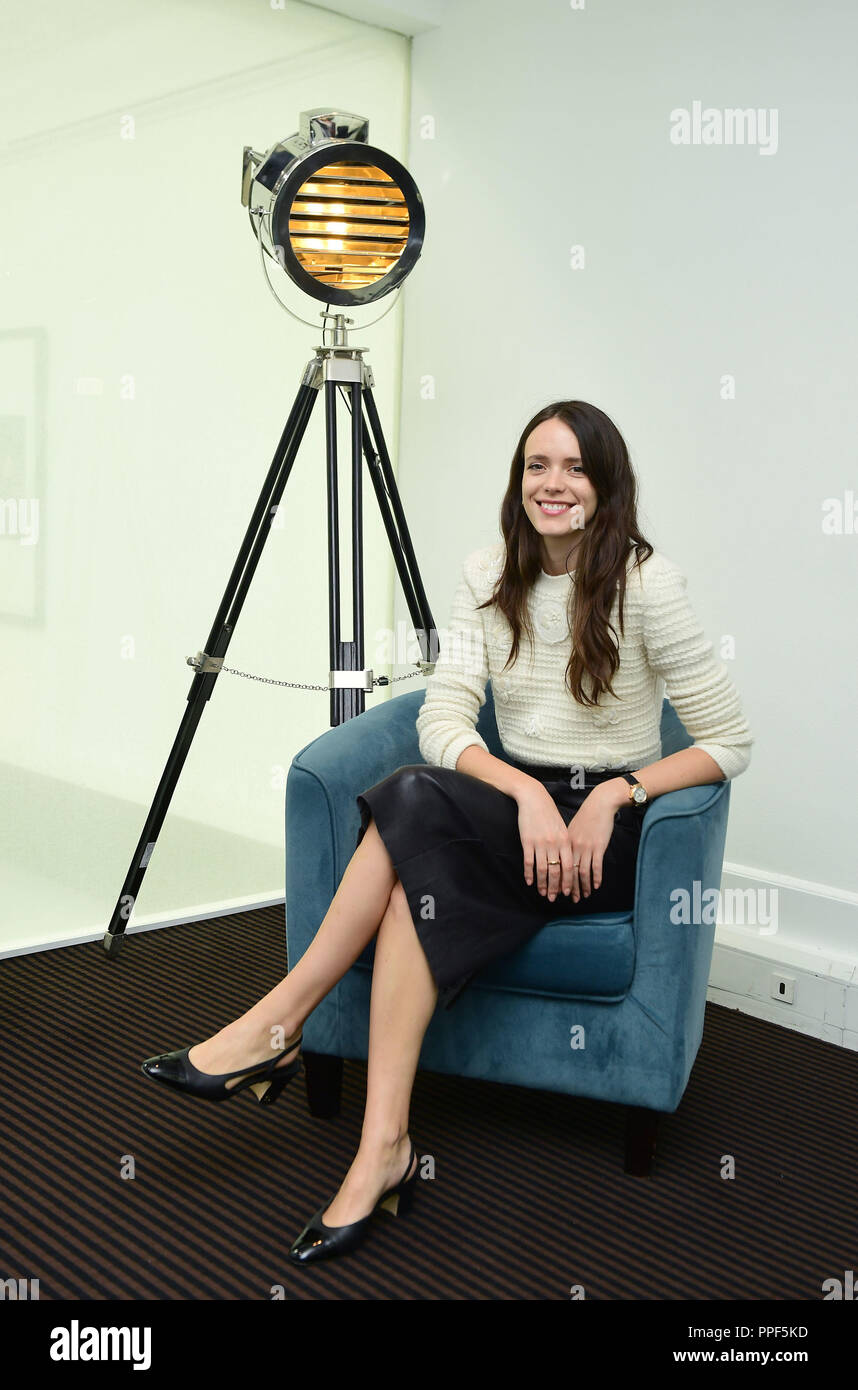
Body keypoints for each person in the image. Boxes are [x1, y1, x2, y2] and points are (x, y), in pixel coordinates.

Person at [141, 399, 753, 1266]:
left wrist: (614, 795)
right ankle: (382, 1147)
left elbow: (729, 741)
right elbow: (443, 720)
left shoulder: (649, 586)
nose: (554, 483)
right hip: (516, 812)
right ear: (518, 481)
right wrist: (526, 795)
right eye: (538, 464)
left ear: (607, 486)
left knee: (410, 806)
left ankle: (278, 1027)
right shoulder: (486, 575)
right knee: (413, 846)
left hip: (603, 843)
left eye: (576, 468)